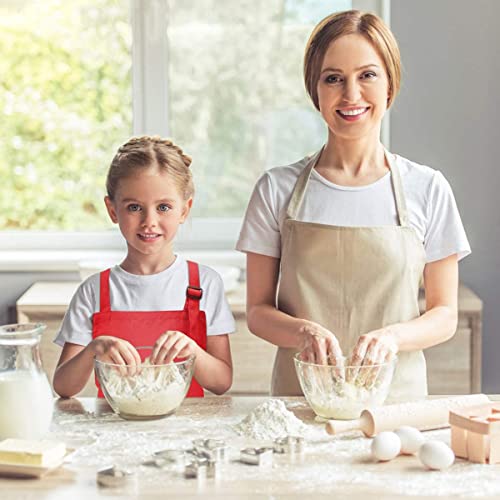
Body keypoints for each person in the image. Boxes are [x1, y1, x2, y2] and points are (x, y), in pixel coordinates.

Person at [236, 10, 470, 401]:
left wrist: (393, 338)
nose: (351, 95)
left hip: (396, 405)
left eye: (367, 75)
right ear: (316, 91)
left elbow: (444, 314)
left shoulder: (428, 188)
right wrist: (302, 332)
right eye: (333, 79)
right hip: (301, 403)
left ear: (390, 85)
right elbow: (258, 311)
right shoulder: (276, 189)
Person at [53, 136, 234, 398]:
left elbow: (222, 382)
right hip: (115, 428)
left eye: (164, 207)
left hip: (186, 429)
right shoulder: (94, 291)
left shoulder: (204, 284)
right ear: (112, 210)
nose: (149, 222)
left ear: (185, 210)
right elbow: (63, 387)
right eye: (134, 207)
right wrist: (94, 349)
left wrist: (193, 351)